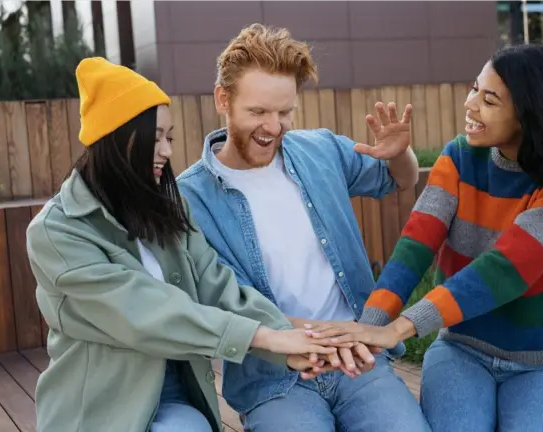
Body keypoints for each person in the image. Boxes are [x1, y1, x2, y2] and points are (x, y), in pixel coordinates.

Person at [307, 43, 543, 432]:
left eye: (488, 99)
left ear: (530, 115)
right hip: (462, 351)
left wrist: (399, 328)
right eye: (475, 88)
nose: (469, 104)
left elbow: (503, 271)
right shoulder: (460, 157)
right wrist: (368, 329)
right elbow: (416, 245)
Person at [25, 57, 337, 432]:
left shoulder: (169, 207)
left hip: (176, 390)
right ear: (115, 135)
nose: (167, 151)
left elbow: (218, 286)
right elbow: (141, 311)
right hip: (101, 404)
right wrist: (263, 336)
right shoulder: (57, 232)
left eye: (169, 137)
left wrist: (290, 342)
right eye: (154, 138)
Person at [174, 24, 430, 431]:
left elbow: (400, 179)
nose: (273, 127)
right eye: (258, 112)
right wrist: (321, 340)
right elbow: (220, 300)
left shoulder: (320, 149)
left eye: (284, 112)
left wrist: (401, 155)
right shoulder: (189, 198)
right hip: (273, 378)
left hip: (357, 358)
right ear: (223, 99)